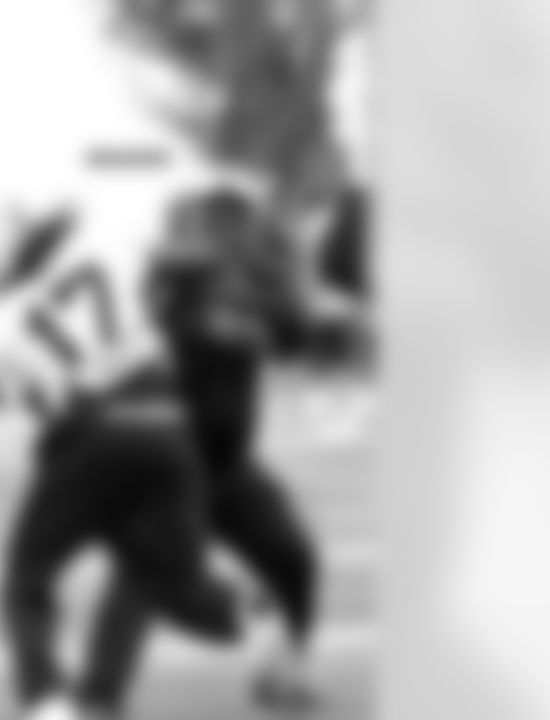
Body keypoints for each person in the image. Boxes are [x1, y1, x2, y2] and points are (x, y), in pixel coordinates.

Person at [0, 174, 252, 720]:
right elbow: (174, 276)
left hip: (92, 434)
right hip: (168, 427)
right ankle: (232, 624)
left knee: (25, 581)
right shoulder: (104, 239)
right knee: (155, 574)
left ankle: (47, 703)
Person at [73, 186, 356, 719]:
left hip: (227, 464)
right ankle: (97, 700)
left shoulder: (259, 284)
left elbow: (297, 332)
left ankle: (284, 671)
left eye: (242, 223)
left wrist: (311, 300)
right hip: (166, 463)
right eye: (223, 222)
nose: (239, 233)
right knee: (143, 575)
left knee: (292, 555)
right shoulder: (175, 282)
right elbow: (172, 317)